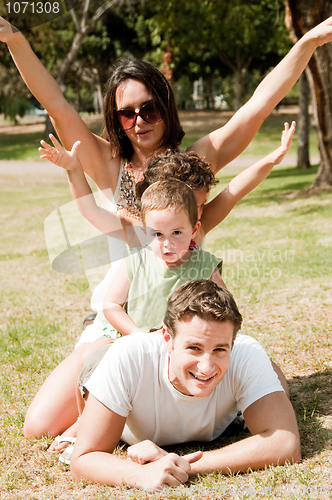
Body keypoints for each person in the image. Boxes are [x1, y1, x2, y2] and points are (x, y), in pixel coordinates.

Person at [0, 12, 328, 438]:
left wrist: (310, 41)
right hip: (121, 320)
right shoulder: (108, 164)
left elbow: (257, 107)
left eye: (149, 107)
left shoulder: (194, 164)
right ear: (115, 119)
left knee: (275, 391)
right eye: (126, 113)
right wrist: (14, 38)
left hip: (185, 320)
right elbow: (56, 104)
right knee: (40, 425)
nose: (139, 120)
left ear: (166, 105)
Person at [70, 280, 301, 489]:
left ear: (233, 342)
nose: (206, 367)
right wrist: (138, 474)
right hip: (105, 358)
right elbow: (84, 459)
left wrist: (182, 465)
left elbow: (285, 443)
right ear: (168, 339)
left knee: (275, 379)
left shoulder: (245, 352)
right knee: (37, 426)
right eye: (194, 348)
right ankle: (93, 335)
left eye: (220, 349)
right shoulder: (128, 357)